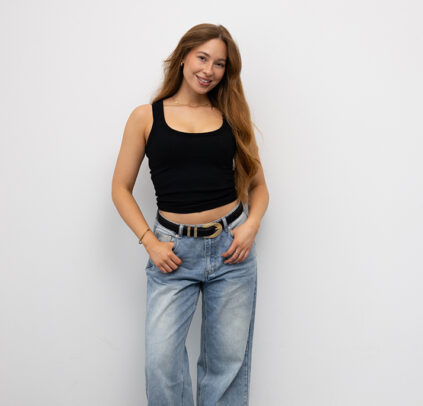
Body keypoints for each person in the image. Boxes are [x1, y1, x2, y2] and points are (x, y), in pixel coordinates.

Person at [111, 23, 269, 406]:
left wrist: (250, 226)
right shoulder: (145, 117)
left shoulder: (231, 115)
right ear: (183, 57)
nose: (208, 70)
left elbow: (259, 186)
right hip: (172, 253)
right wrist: (150, 242)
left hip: (231, 251)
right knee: (161, 366)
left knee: (226, 367)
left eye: (219, 64)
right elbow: (120, 188)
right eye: (202, 58)